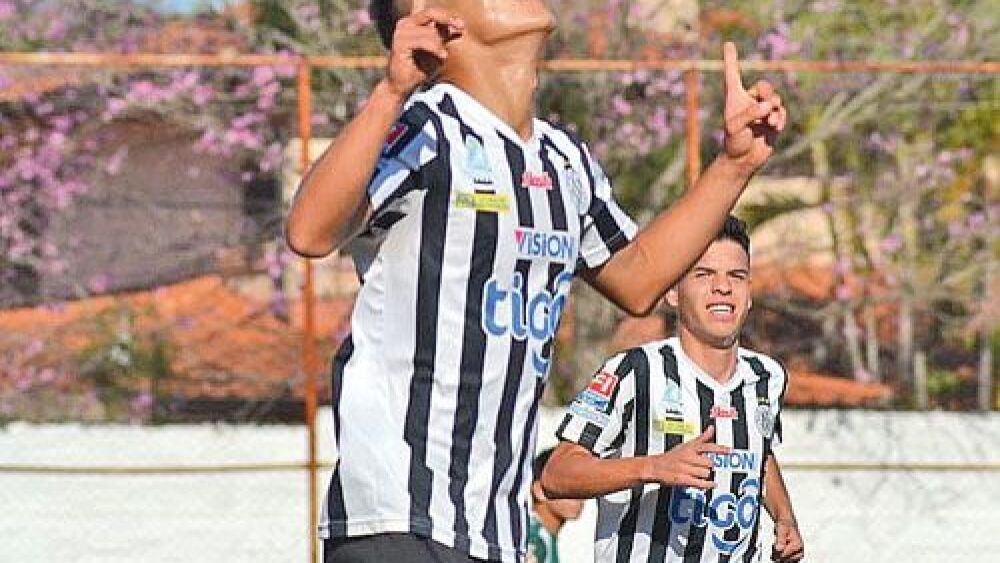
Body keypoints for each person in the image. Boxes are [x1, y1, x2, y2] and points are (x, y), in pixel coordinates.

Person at [284, 0, 787, 560]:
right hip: (398, 517)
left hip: (497, 529)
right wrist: (390, 91)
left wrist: (734, 164)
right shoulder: (426, 130)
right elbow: (308, 231)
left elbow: (639, 279)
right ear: (437, 15)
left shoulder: (561, 158)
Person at [541, 216, 805, 562]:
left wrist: (784, 517)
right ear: (672, 292)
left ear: (749, 293)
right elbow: (556, 474)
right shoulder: (634, 371)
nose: (723, 287)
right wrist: (652, 467)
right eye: (704, 274)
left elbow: (761, 453)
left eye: (736, 276)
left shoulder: (767, 377)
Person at [526, 448, 584, 563]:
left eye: (581, 484)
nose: (578, 492)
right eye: (566, 483)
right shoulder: (534, 540)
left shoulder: (545, 537)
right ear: (540, 490)